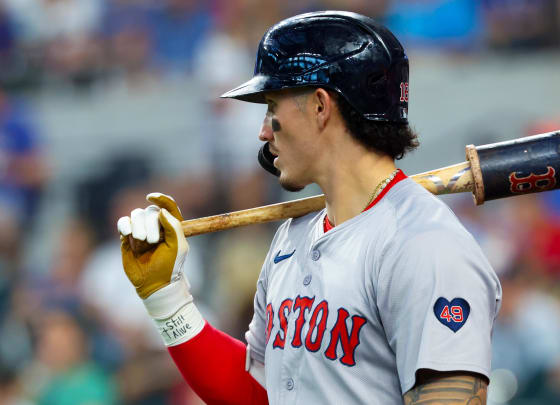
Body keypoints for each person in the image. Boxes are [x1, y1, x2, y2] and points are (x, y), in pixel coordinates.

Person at [116, 10, 501, 405]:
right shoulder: (292, 237)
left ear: (320, 106)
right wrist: (166, 298)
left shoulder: (426, 244)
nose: (264, 131)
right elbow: (258, 394)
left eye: (272, 106)